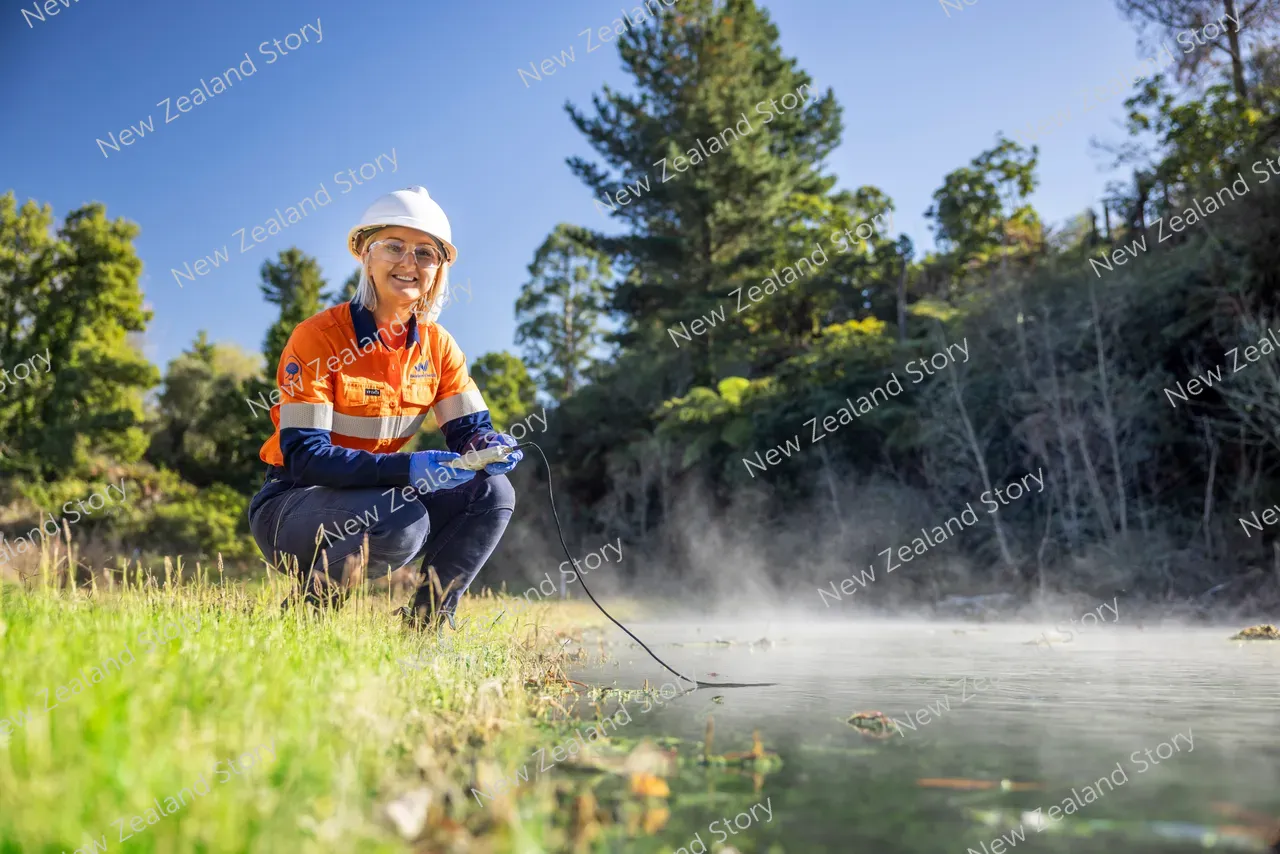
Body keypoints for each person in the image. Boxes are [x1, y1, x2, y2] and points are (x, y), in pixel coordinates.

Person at [248, 186, 521, 628]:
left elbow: (470, 430)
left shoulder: (439, 347)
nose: (409, 263)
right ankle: (304, 620)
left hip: (382, 497)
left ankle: (428, 627)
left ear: (438, 268)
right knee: (403, 519)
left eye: (425, 253)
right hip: (293, 506)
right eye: (393, 247)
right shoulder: (318, 337)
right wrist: (407, 469)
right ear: (365, 255)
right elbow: (305, 457)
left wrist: (488, 446)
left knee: (494, 492)